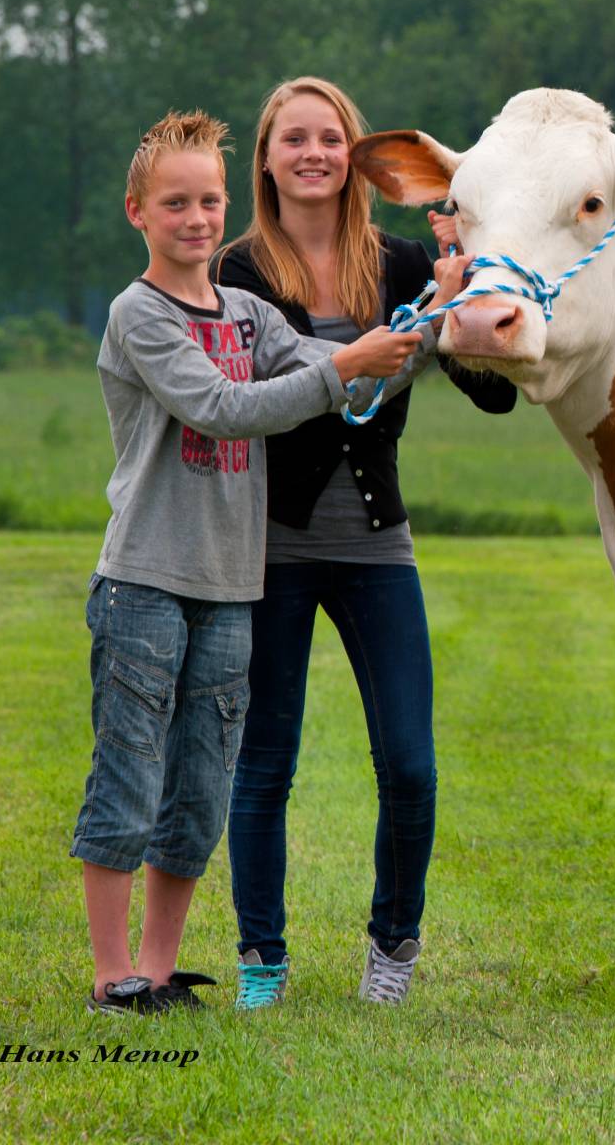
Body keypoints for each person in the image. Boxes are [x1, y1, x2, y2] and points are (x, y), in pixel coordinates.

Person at [76, 110, 425, 1014]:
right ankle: (112, 975)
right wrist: (344, 364)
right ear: (137, 213)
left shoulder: (246, 311)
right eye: (177, 203)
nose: (197, 219)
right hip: (147, 580)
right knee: (129, 778)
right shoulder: (138, 314)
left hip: (233, 586)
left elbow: (333, 369)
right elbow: (221, 407)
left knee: (198, 791)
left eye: (209, 202)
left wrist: (426, 321)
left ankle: (158, 973)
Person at [214, 76, 516, 1010]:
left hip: (379, 547)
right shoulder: (236, 273)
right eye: (293, 138)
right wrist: (347, 363)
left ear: (356, 159)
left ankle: (394, 946)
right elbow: (233, 408)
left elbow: (494, 391)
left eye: (331, 138)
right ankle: (262, 961)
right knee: (265, 764)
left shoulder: (395, 265)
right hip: (268, 548)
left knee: (411, 765)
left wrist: (456, 308)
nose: (313, 153)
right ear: (265, 158)